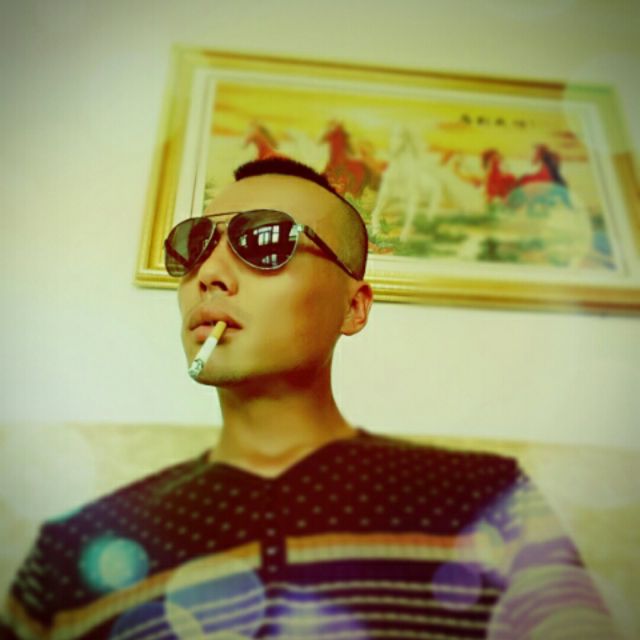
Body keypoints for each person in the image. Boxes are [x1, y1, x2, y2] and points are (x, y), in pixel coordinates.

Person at [2, 158, 618, 639]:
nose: (209, 274)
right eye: (193, 245)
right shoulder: (74, 549)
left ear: (354, 307)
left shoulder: (489, 501)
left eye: (264, 241)